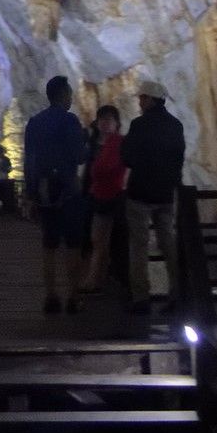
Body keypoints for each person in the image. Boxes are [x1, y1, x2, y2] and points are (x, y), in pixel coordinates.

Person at [23, 76, 89, 314]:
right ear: (63, 95)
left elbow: (29, 160)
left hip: (44, 192)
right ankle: (73, 296)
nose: (71, 98)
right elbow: (79, 157)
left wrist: (29, 194)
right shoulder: (70, 121)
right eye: (69, 94)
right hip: (68, 190)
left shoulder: (35, 123)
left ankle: (51, 296)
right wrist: (86, 142)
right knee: (73, 245)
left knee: (49, 245)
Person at [120, 79, 185, 314]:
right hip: (166, 194)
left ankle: (141, 298)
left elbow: (127, 157)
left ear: (149, 99)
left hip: (140, 194)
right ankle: (178, 293)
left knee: (139, 246)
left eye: (141, 98)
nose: (139, 102)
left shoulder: (139, 125)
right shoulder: (175, 125)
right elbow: (179, 158)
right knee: (169, 244)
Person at [81, 105, 126, 295]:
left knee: (111, 239)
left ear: (117, 124)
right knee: (97, 239)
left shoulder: (121, 143)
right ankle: (98, 278)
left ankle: (103, 278)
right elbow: (87, 171)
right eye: (102, 120)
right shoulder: (91, 144)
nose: (106, 124)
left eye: (109, 120)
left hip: (116, 195)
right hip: (96, 195)